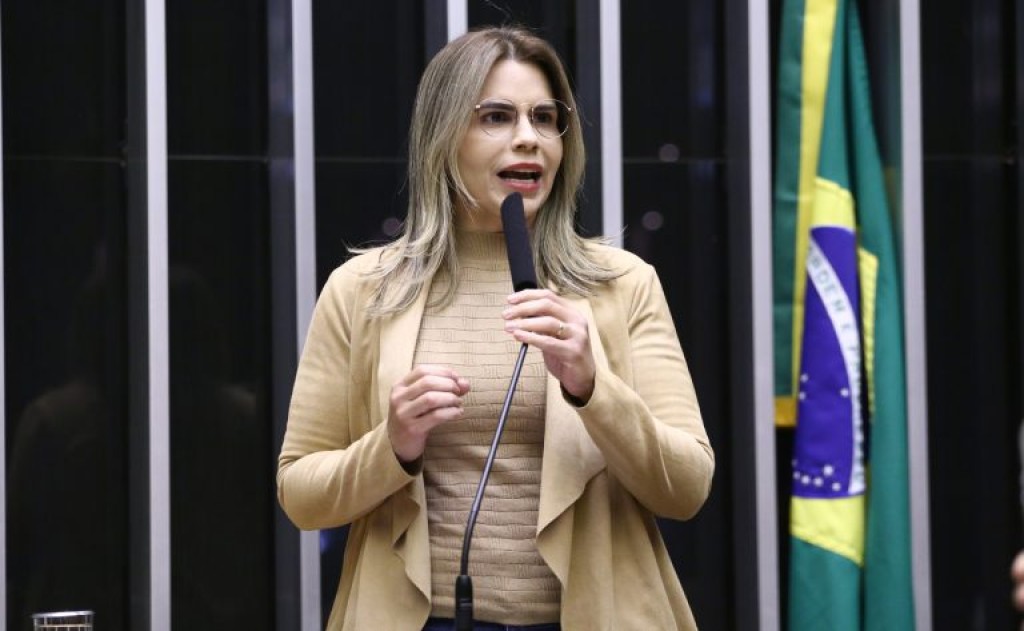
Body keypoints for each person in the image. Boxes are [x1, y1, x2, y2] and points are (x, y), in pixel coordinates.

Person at [276, 26, 714, 630]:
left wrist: (593, 387)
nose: (528, 138)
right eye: (497, 117)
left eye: (545, 118)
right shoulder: (363, 290)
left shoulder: (623, 285)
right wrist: (392, 444)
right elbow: (301, 495)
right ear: (444, 136)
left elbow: (686, 488)